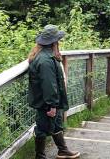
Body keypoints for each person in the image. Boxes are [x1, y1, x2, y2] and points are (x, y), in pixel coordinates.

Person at [28, 24, 80, 159]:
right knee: (42, 129)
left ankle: (62, 150)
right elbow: (49, 85)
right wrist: (52, 105)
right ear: (54, 42)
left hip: (48, 101)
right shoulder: (45, 60)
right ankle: (40, 156)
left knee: (56, 124)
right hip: (46, 103)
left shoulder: (46, 55)